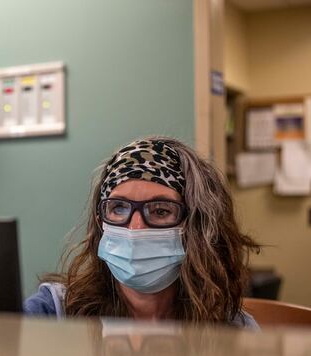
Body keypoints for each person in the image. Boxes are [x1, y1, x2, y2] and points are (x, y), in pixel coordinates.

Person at [24, 137, 260, 328]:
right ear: (100, 220)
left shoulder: (231, 333)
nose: (135, 227)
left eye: (160, 211)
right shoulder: (54, 313)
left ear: (194, 225)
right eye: (118, 208)